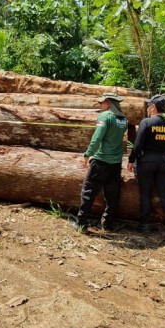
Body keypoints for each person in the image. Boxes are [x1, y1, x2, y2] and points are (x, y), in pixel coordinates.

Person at [70, 93, 128, 233]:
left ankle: (82, 224)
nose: (100, 105)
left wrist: (88, 154)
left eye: (102, 103)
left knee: (88, 191)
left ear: (108, 103)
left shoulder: (105, 117)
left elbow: (97, 138)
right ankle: (107, 224)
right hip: (115, 163)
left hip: (101, 161)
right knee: (111, 194)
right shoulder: (123, 119)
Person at [127, 94, 165, 241]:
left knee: (145, 192)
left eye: (149, 106)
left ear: (154, 107)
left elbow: (138, 144)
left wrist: (131, 160)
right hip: (163, 162)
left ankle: (144, 224)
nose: (148, 108)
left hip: (147, 161)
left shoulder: (146, 122)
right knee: (164, 194)